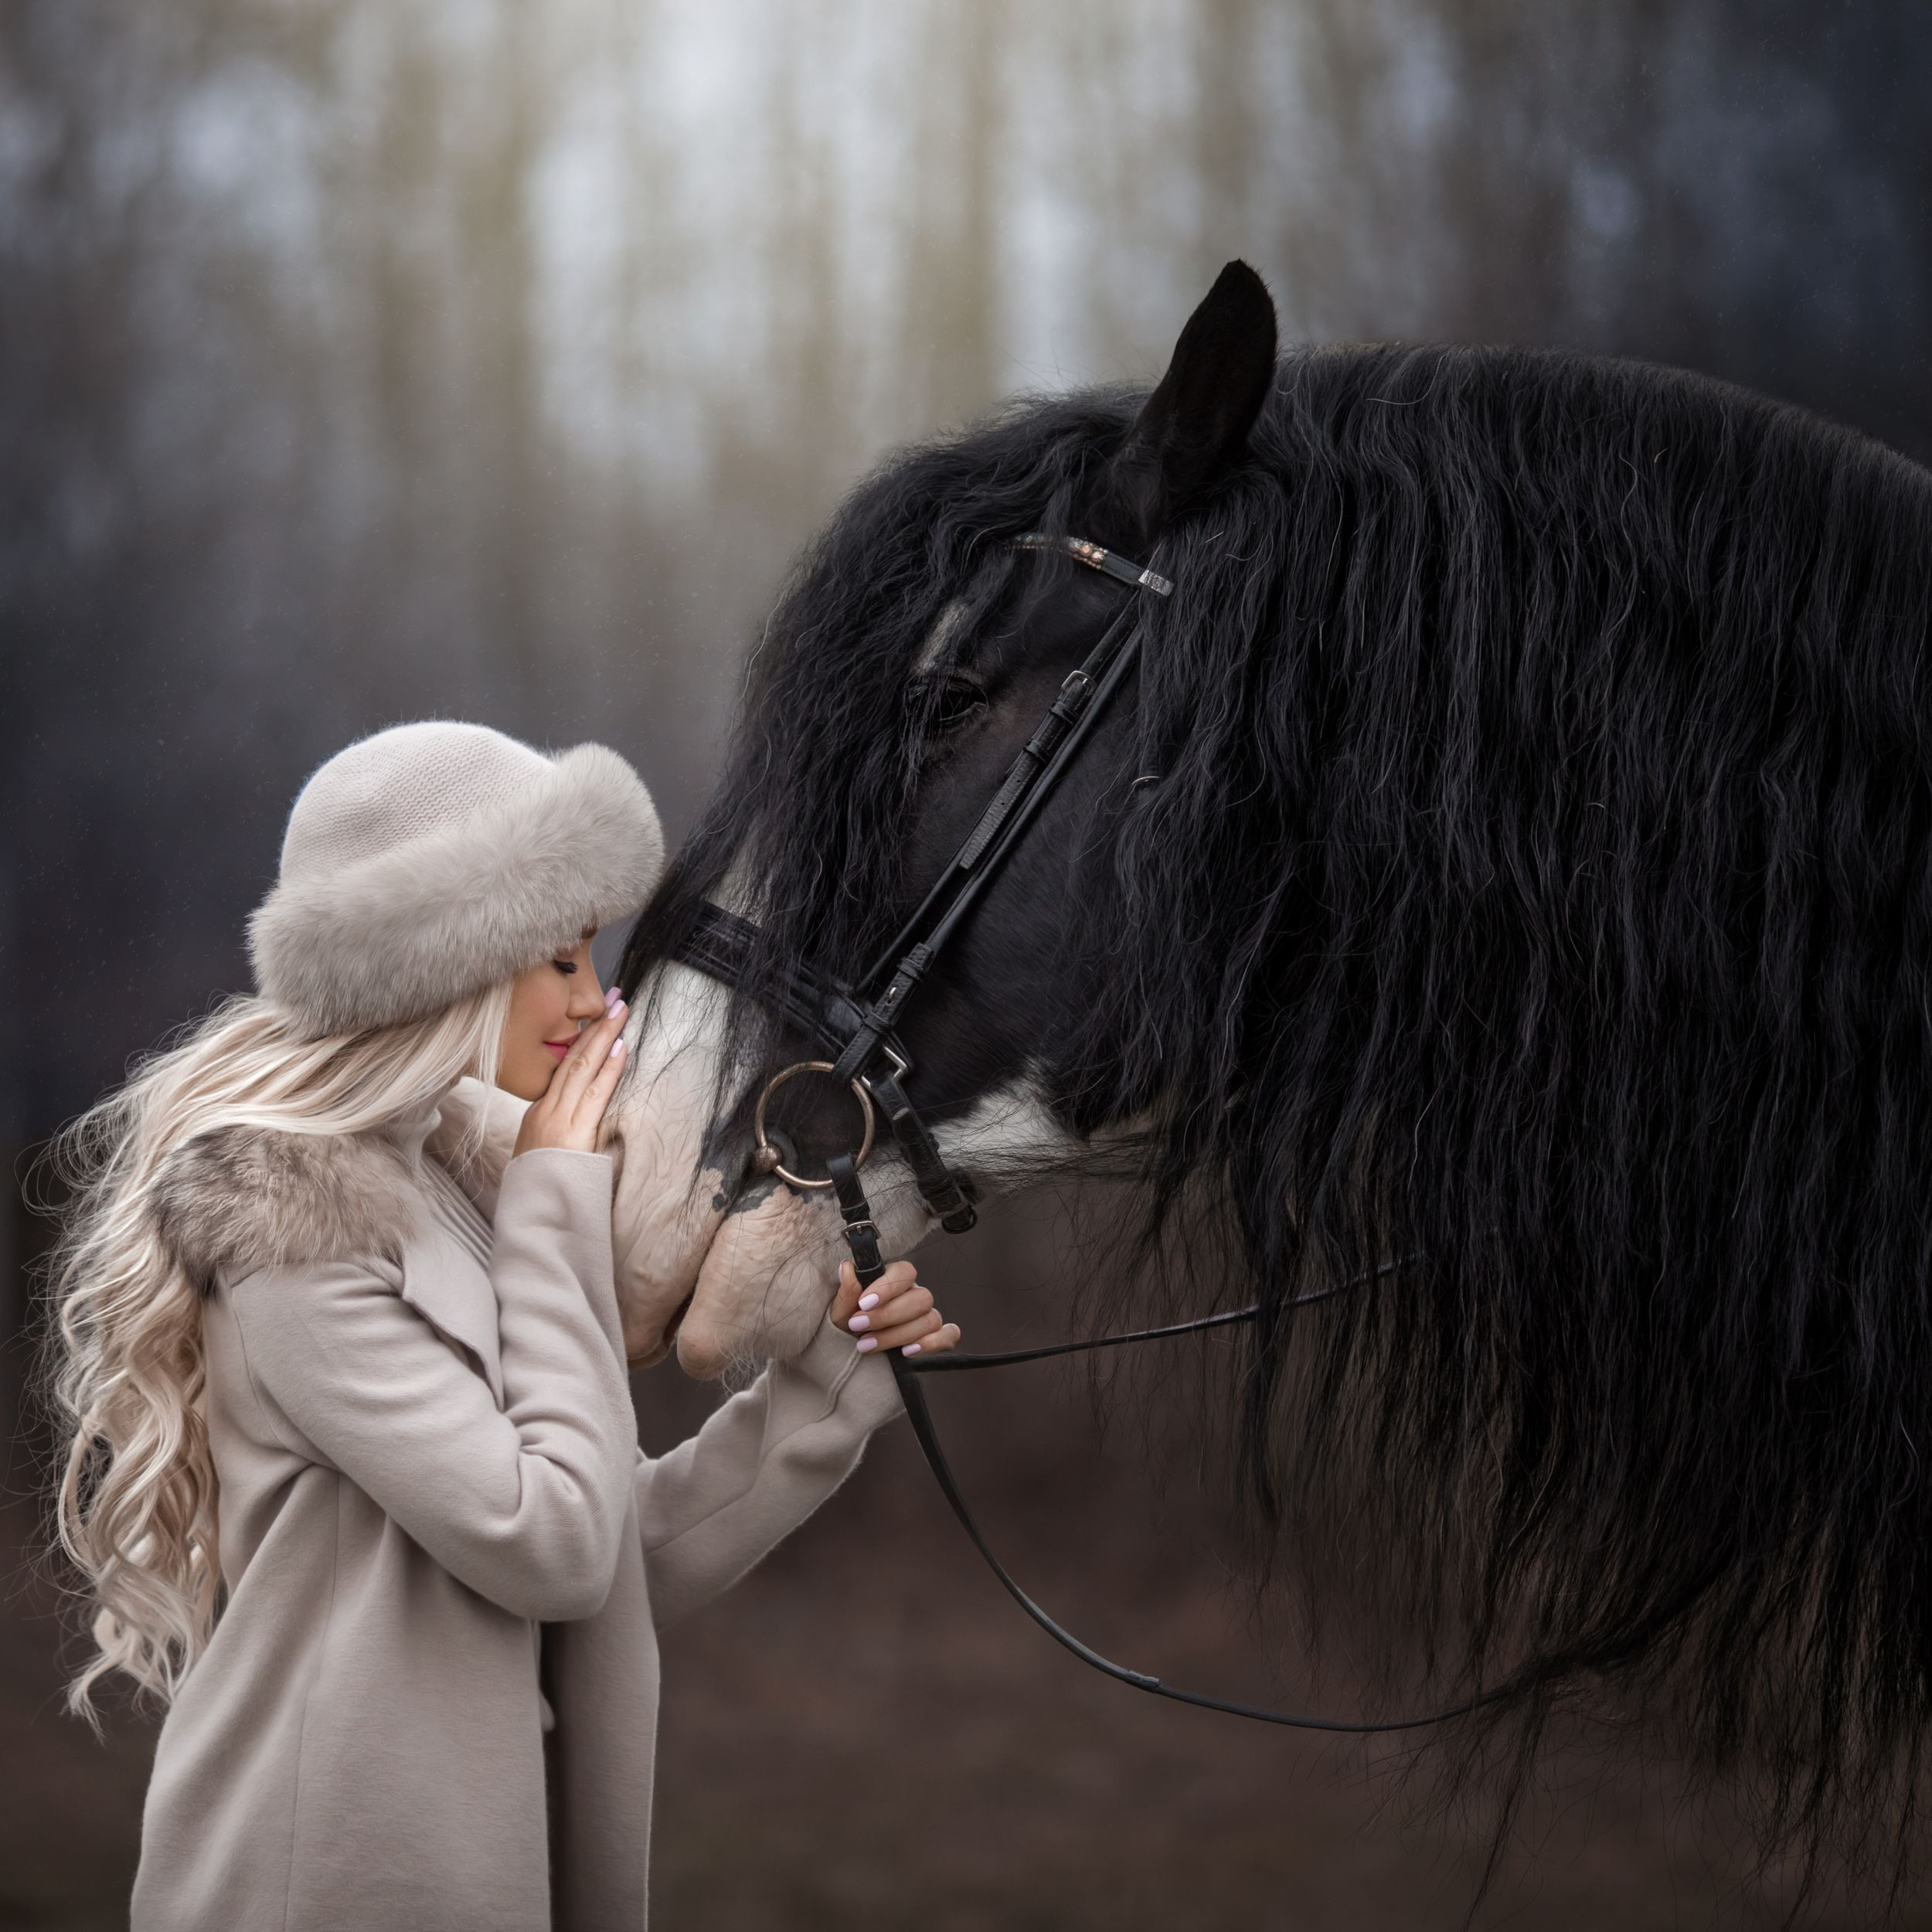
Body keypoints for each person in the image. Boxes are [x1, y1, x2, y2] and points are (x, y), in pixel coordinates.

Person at [44, 721, 957, 1931]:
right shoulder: (293, 1230)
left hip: (482, 1873)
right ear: (444, 968)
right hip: (318, 1882)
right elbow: (552, 1543)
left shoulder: (469, 1185)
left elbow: (617, 1562)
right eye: (561, 960)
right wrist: (557, 1203)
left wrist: (832, 1380)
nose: (597, 1001)